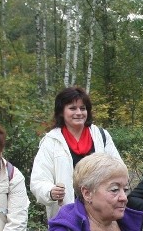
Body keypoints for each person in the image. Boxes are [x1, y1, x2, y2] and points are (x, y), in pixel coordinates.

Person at [30, 86, 121, 220]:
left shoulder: (101, 136)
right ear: (61, 112)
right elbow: (38, 180)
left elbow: (118, 170)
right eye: (72, 108)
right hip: (67, 216)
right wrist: (50, 191)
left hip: (101, 213)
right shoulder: (51, 141)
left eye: (82, 108)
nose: (79, 112)